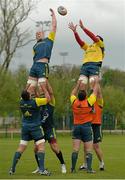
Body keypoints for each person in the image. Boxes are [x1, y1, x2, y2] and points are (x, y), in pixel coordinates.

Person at [9, 90, 51, 176]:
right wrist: (45, 89)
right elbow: (48, 99)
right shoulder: (36, 101)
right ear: (28, 96)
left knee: (21, 148)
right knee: (41, 147)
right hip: (35, 127)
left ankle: (12, 169)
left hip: (25, 128)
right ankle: (42, 170)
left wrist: (29, 86)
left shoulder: (21, 102)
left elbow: (24, 93)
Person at [32, 81, 67, 174]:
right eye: (41, 93)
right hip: (40, 130)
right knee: (36, 149)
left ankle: (62, 164)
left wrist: (45, 82)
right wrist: (35, 83)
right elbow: (35, 93)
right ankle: (40, 167)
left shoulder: (51, 103)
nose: (43, 94)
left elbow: (51, 92)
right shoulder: (39, 102)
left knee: (54, 147)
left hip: (49, 128)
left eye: (44, 93)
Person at [26, 8, 57, 100]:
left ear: (44, 34)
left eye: (40, 33)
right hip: (34, 66)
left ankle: (45, 108)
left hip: (42, 66)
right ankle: (30, 106)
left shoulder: (49, 40)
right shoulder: (34, 46)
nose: (38, 34)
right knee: (28, 89)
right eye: (36, 34)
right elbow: (34, 58)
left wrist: (53, 16)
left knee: (42, 88)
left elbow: (54, 26)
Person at [70, 80, 99, 173]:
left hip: (76, 127)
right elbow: (95, 92)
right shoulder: (88, 102)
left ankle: (73, 169)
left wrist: (78, 84)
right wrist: (97, 82)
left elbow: (72, 93)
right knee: (88, 149)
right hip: (86, 127)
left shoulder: (74, 102)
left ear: (78, 96)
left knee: (75, 149)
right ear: (86, 96)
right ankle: (89, 169)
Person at [68, 20, 105, 90]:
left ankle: (95, 100)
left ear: (100, 40)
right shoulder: (88, 47)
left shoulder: (101, 45)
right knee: (81, 83)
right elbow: (80, 42)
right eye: (96, 37)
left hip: (94, 65)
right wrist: (75, 32)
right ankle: (83, 100)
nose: (95, 38)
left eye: (97, 37)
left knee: (92, 82)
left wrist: (83, 28)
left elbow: (92, 36)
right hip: (85, 65)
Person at [79, 85, 104, 171]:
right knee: (86, 146)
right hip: (88, 124)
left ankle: (101, 163)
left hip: (96, 125)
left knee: (96, 146)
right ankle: (85, 164)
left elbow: (99, 93)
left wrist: (96, 84)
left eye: (93, 92)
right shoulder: (88, 101)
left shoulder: (99, 101)